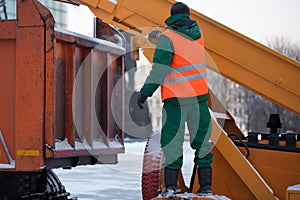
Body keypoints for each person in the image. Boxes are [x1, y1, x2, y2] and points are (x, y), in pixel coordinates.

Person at [137, 2, 213, 198]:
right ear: (188, 16)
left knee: (172, 143)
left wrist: (144, 93)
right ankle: (205, 188)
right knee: (203, 142)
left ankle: (170, 188)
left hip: (176, 101)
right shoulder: (198, 34)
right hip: (199, 99)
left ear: (171, 17)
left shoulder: (167, 37)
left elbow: (160, 70)